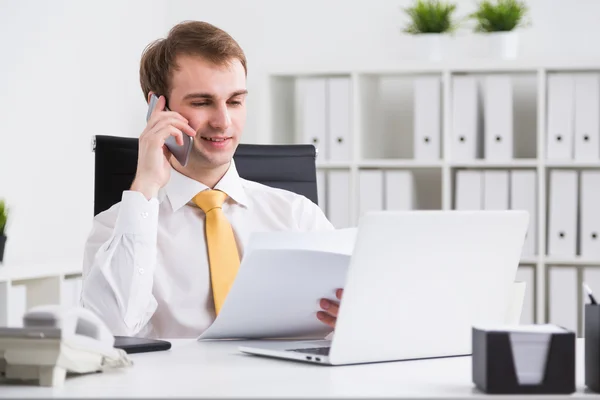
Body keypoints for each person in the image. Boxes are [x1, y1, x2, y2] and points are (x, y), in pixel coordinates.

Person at [80, 20, 343, 339]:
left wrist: (350, 319)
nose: (223, 121)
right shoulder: (117, 227)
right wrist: (146, 186)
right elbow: (111, 334)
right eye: (202, 102)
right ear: (157, 109)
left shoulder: (298, 217)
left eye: (235, 101)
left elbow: (346, 325)